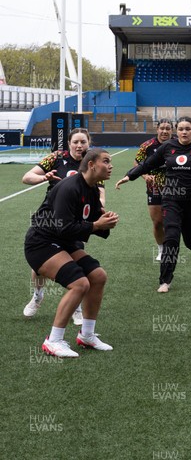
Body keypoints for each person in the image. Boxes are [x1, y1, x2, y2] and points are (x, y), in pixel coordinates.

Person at [116, 116, 191, 292]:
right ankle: (165, 280)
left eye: (187, 129)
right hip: (171, 199)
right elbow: (147, 164)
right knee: (171, 238)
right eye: (181, 129)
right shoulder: (168, 147)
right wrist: (130, 176)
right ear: (177, 131)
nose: (184, 132)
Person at [24, 148, 118, 358]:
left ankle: (87, 335)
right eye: (106, 161)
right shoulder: (69, 187)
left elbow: (89, 222)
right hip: (41, 243)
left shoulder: (92, 189)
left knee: (98, 277)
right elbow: (64, 228)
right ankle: (53, 341)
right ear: (91, 164)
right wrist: (96, 225)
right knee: (80, 283)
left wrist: (105, 222)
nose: (111, 166)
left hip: (63, 241)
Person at [22, 128, 105, 324]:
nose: (79, 146)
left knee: (75, 265)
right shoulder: (56, 158)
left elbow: (99, 190)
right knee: (39, 267)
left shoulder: (93, 163)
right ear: (68, 144)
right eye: (75, 142)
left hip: (75, 222)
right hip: (52, 218)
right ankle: (37, 296)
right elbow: (27, 177)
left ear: (88, 143)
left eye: (83, 142)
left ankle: (76, 308)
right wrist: (44, 178)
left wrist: (101, 209)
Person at [134, 119, 173, 261]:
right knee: (158, 222)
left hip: (176, 186)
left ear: (172, 131)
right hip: (154, 188)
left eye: (168, 128)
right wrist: (145, 175)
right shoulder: (147, 146)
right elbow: (137, 162)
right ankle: (162, 249)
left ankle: (174, 247)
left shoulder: (177, 143)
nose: (164, 131)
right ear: (157, 129)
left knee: (175, 220)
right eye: (162, 128)